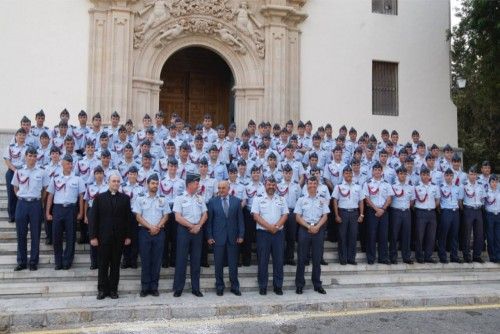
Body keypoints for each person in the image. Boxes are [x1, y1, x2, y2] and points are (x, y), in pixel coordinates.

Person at [88, 174, 132, 300]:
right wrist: (93, 236)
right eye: (114, 181)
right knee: (102, 265)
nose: (116, 183)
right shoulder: (99, 198)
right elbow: (93, 219)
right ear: (108, 182)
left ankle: (113, 290)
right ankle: (102, 290)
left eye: (118, 181)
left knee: (115, 265)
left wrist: (128, 236)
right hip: (103, 238)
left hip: (118, 238)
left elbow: (128, 219)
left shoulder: (125, 199)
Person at [11, 147, 49, 271]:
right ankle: (21, 261)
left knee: (35, 234)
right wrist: (22, 198)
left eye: (34, 156)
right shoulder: (19, 171)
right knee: (21, 234)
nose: (32, 158)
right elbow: (15, 188)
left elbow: (45, 189)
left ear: (36, 157)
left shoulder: (42, 172)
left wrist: (39, 200)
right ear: (25, 156)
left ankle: (33, 262)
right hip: (22, 204)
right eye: (29, 155)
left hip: (35, 205)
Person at [46, 154, 85, 270]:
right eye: (67, 163)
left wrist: (81, 212)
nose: (70, 165)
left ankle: (67, 261)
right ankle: (58, 262)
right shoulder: (55, 178)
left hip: (71, 209)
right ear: (62, 164)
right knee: (56, 236)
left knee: (71, 236)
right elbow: (50, 196)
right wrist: (48, 212)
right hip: (57, 208)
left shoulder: (78, 179)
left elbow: (81, 197)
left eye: (71, 163)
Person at [134, 173, 170, 297]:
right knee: (145, 260)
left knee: (157, 260)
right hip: (144, 232)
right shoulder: (140, 198)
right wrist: (151, 227)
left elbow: (166, 216)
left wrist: (157, 227)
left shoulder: (163, 199)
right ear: (147, 184)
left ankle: (154, 287)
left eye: (156, 183)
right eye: (152, 183)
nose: (155, 185)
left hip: (159, 233)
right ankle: (145, 287)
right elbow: (138, 216)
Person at [172, 173, 208, 297]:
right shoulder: (180, 198)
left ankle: (195, 288)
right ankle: (178, 288)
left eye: (198, 183)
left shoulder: (200, 198)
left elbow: (205, 214)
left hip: (198, 231)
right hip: (184, 231)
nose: (198, 185)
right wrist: (191, 226)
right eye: (196, 183)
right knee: (181, 259)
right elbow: (177, 217)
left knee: (196, 260)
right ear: (189, 184)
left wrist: (198, 226)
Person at [251, 177, 288, 296]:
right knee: (263, 261)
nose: (271, 186)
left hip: (278, 234)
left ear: (276, 186)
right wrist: (269, 227)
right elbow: (256, 216)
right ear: (264, 185)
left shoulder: (282, 199)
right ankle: (263, 286)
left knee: (278, 260)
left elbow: (285, 215)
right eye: (269, 184)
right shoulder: (258, 199)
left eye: (273, 184)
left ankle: (278, 286)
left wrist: (276, 227)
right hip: (263, 234)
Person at [207, 181, 245, 296]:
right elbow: (209, 222)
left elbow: (240, 220)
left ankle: (235, 286)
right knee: (218, 264)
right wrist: (209, 236)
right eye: (219, 188)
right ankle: (219, 286)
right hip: (218, 238)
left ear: (228, 188)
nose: (221, 190)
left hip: (233, 237)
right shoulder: (212, 202)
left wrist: (241, 235)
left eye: (223, 188)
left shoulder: (236, 201)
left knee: (233, 264)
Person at [295, 176, 329, 294]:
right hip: (305, 229)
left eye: (315, 183)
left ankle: (317, 284)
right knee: (301, 258)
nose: (312, 185)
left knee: (317, 258)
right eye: (310, 183)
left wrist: (317, 227)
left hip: (318, 229)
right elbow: (298, 217)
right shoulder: (301, 199)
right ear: (307, 185)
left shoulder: (322, 199)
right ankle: (299, 284)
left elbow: (325, 215)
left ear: (317, 185)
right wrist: (309, 227)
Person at [332, 166, 364, 265]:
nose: (348, 175)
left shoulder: (357, 186)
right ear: (343, 174)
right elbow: (335, 201)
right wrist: (336, 215)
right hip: (343, 213)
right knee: (342, 236)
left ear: (352, 174)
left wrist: (361, 214)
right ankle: (343, 259)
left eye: (350, 173)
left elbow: (361, 201)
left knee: (353, 236)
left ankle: (351, 258)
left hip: (354, 213)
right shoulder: (339, 186)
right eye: (346, 173)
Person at [362, 162, 394, 265]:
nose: (377, 172)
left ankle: (383, 258)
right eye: (375, 170)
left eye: (379, 170)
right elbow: (366, 199)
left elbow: (389, 198)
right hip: (372, 212)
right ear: (372, 171)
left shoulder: (387, 184)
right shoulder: (368, 183)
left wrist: (382, 209)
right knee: (371, 235)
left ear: (382, 171)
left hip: (384, 212)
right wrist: (376, 209)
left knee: (383, 235)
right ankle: (371, 258)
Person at [414, 166, 440, 263]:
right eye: (423, 174)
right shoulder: (416, 187)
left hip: (432, 213)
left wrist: (431, 206)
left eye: (427, 174)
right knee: (420, 236)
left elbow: (437, 200)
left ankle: (428, 256)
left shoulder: (434, 186)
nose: (425, 176)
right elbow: (413, 201)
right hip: (421, 212)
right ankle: (419, 256)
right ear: (420, 175)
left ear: (430, 176)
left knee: (431, 236)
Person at [83, 166, 109, 270]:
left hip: (104, 213)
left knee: (103, 238)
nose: (99, 175)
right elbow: (86, 201)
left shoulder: (107, 187)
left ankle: (103, 262)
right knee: (93, 237)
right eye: (97, 173)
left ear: (103, 175)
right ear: (94, 175)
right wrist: (85, 215)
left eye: (101, 173)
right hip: (92, 212)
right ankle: (94, 262)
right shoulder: (90, 187)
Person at [389, 167, 415, 264]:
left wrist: (406, 207)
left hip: (406, 212)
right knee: (394, 235)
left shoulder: (410, 187)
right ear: (397, 174)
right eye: (400, 173)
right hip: (396, 212)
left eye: (404, 174)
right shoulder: (393, 186)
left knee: (406, 235)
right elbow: (390, 199)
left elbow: (412, 201)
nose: (402, 175)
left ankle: (406, 257)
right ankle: (393, 257)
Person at [438, 168, 464, 264]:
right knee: (443, 235)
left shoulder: (457, 187)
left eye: (450, 175)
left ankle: (454, 256)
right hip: (446, 212)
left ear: (453, 177)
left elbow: (460, 201)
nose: (449, 177)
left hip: (455, 212)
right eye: (447, 175)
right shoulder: (440, 187)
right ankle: (442, 256)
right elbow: (438, 201)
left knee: (454, 235)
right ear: (444, 176)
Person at [462, 165, 485, 263]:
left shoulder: (480, 185)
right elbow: (460, 200)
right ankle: (466, 255)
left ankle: (477, 255)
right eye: (471, 174)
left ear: (477, 175)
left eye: (475, 174)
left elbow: (483, 198)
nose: (473, 176)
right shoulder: (464, 185)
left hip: (478, 210)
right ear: (468, 175)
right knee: (467, 234)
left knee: (479, 234)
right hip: (468, 210)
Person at [484, 175, 500, 263]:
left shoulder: (499, 191)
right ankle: (492, 256)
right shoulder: (486, 192)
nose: (494, 183)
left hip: (498, 215)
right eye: (492, 182)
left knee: (498, 237)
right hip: (489, 215)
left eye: (496, 182)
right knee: (490, 237)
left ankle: (498, 256)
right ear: (489, 182)